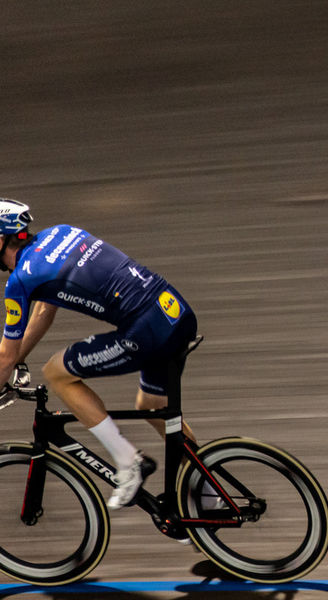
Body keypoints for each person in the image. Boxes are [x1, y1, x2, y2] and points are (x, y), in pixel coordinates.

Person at [0, 199, 198, 510]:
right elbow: (43, 313)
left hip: (146, 331)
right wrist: (15, 364)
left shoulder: (19, 281)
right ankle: (208, 496)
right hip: (175, 310)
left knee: (56, 373)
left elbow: (4, 356)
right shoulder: (61, 232)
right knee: (152, 406)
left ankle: (128, 461)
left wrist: (7, 370)